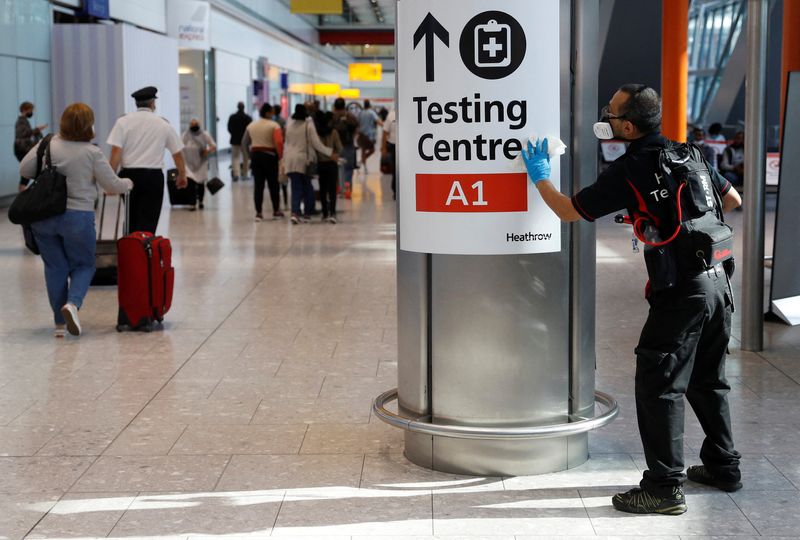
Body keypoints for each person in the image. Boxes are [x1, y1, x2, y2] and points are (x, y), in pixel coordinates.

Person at [521, 84, 742, 515]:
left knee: (658, 384)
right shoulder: (690, 153)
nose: (606, 113)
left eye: (613, 110)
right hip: (719, 282)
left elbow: (569, 211)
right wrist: (669, 220)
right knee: (707, 379)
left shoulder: (632, 168)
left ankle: (663, 488)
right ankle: (723, 466)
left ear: (625, 125)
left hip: (683, 291)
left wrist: (540, 175)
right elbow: (730, 199)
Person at [19, 103, 133, 337]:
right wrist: (128, 184)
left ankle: (60, 324)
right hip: (77, 217)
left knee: (55, 267)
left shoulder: (47, 143)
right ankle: (72, 304)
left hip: (44, 216)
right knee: (84, 265)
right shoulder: (91, 152)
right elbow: (111, 184)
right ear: (88, 126)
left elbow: (25, 168)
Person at [107, 86, 187, 234]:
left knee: (131, 219)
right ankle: (145, 252)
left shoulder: (122, 122)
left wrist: (110, 181)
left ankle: (132, 251)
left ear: (136, 103)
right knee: (149, 220)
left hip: (128, 176)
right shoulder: (163, 124)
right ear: (153, 104)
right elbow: (177, 154)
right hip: (153, 178)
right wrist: (182, 175)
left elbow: (116, 152)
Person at [283, 104, 336, 224]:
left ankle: (295, 213)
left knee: (295, 187)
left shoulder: (289, 125)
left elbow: (286, 143)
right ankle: (307, 213)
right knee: (307, 187)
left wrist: (283, 159)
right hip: (304, 160)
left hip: (290, 160)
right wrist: (329, 152)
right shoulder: (308, 125)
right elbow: (317, 144)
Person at [242, 103, 284, 221]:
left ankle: (259, 213)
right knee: (273, 185)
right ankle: (276, 210)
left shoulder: (251, 125)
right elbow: (279, 143)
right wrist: (281, 157)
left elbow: (244, 143)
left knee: (258, 186)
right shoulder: (274, 125)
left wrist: (249, 156)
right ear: (267, 113)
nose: (273, 114)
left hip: (256, 157)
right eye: (271, 112)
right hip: (270, 157)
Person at [181, 118, 217, 210]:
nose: (193, 126)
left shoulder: (205, 134)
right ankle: (192, 203)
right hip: (189, 163)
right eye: (192, 124)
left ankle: (200, 201)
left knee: (201, 183)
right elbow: (180, 145)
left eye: (195, 124)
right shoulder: (186, 134)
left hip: (201, 163)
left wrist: (207, 150)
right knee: (190, 184)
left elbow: (213, 145)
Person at [315, 111, 343, 223]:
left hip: (321, 164)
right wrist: (335, 154)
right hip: (332, 164)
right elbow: (340, 148)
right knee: (332, 190)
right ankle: (333, 212)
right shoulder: (334, 132)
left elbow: (316, 148)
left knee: (322, 189)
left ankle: (324, 212)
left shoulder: (316, 133)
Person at [14, 101, 47, 191]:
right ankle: (22, 195)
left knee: (26, 173)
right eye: (30, 110)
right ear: (25, 110)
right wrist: (37, 129)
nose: (31, 112)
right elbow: (23, 134)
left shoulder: (24, 121)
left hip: (23, 148)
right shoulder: (21, 121)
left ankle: (22, 194)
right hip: (21, 149)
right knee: (26, 172)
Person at [332, 97, 359, 198]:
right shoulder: (350, 116)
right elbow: (357, 128)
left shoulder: (333, 116)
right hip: (348, 145)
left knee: (336, 168)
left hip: (335, 147)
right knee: (348, 169)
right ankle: (347, 188)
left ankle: (338, 189)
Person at [227, 102, 252, 182]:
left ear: (237, 107)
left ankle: (236, 174)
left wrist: (234, 134)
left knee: (235, 157)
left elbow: (229, 128)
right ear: (244, 107)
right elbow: (250, 129)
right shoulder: (248, 118)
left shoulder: (232, 117)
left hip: (234, 140)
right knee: (246, 158)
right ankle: (244, 174)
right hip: (245, 141)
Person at [357, 99, 383, 173]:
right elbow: (378, 121)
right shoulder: (371, 113)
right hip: (369, 136)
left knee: (363, 150)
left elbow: (357, 123)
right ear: (369, 105)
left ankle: (362, 164)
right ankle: (363, 164)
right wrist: (384, 126)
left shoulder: (360, 113)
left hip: (361, 135)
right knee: (372, 150)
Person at [381, 107, 397, 200]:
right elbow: (385, 132)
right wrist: (383, 148)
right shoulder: (391, 116)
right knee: (395, 169)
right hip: (393, 146)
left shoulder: (407, 114)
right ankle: (395, 190)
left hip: (404, 147)